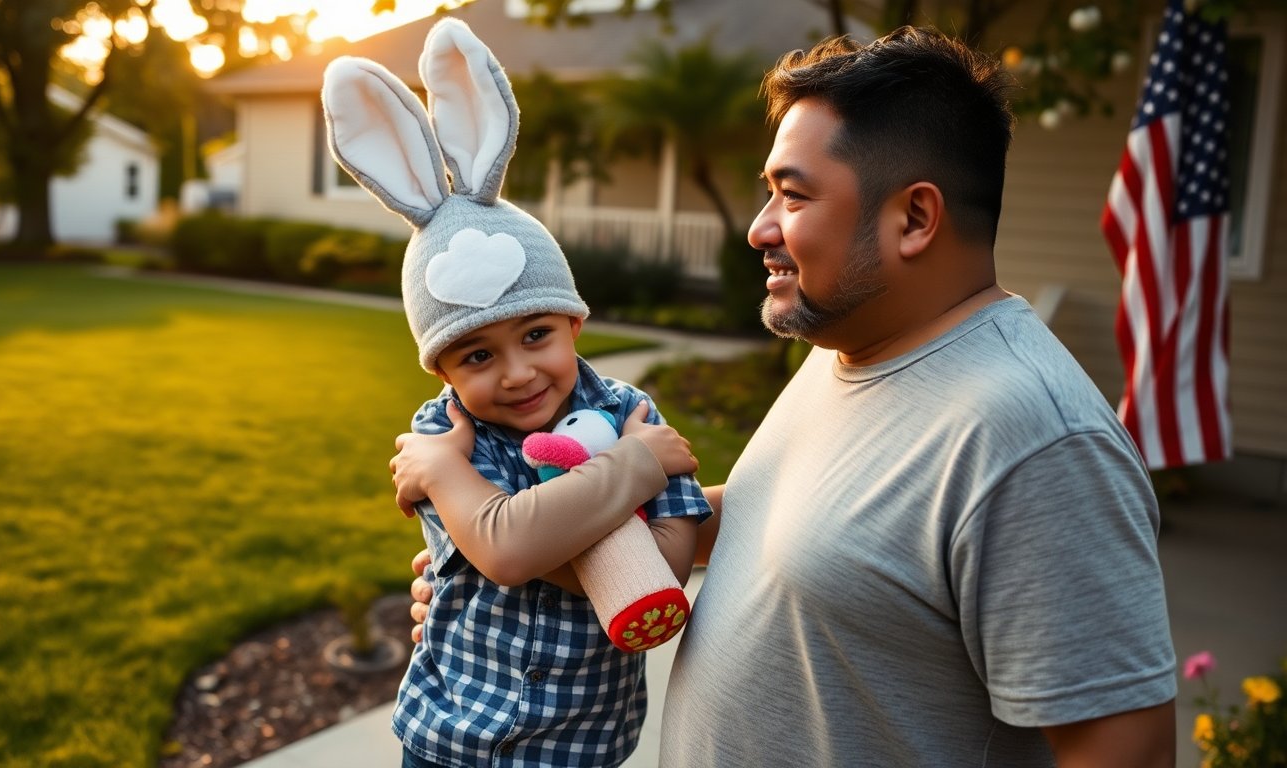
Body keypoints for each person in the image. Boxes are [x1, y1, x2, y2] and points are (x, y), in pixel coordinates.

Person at [407, 23, 1180, 766]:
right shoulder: (847, 351)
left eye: (793, 197)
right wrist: (475, 570)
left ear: (915, 217)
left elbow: (1125, 757)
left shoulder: (1034, 442)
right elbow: (789, 533)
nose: (758, 228)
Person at [323, 18, 714, 768]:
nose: (516, 373)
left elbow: (658, 575)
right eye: (475, 354)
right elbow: (507, 551)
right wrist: (630, 477)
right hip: (449, 741)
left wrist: (550, 527)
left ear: (574, 321)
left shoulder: (631, 412)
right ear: (441, 372)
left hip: (580, 750)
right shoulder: (441, 438)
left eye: (536, 335)